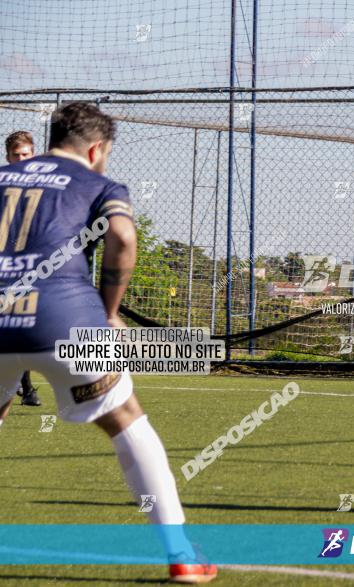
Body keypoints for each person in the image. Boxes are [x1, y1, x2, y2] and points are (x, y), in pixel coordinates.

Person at [0, 103, 217, 582]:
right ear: (97, 149)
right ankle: (181, 554)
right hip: (65, 321)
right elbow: (121, 234)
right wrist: (111, 314)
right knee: (124, 418)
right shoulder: (99, 185)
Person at [4, 131, 42, 407]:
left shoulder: (44, 187)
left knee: (21, 325)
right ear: (7, 157)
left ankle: (24, 385)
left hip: (29, 265)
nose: (20, 159)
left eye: (25, 154)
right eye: (16, 155)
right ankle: (24, 386)